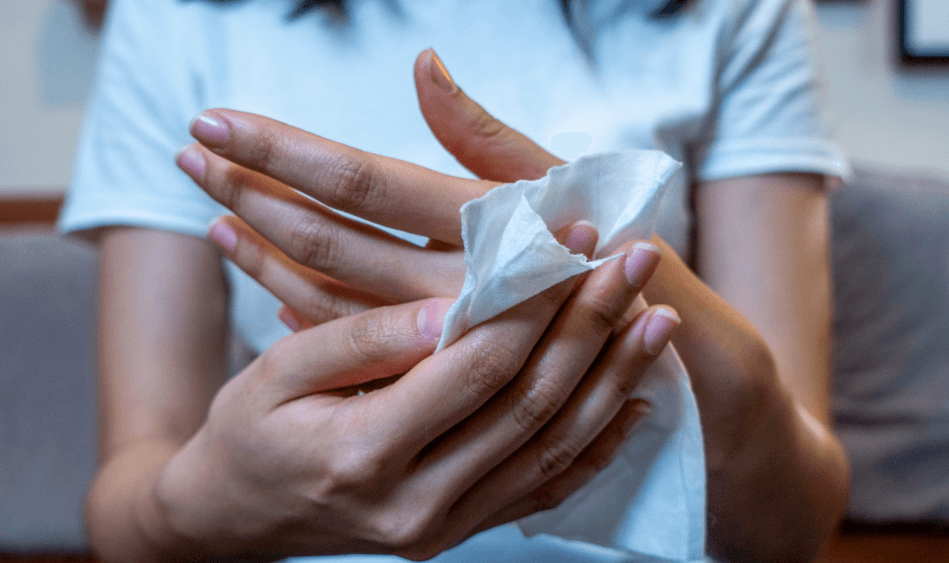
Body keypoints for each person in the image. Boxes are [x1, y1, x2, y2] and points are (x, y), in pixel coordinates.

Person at [58, 0, 850, 561]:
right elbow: (130, 499)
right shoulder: (178, 14)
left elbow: (797, 521)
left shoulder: (737, 10)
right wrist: (208, 501)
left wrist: (624, 286)